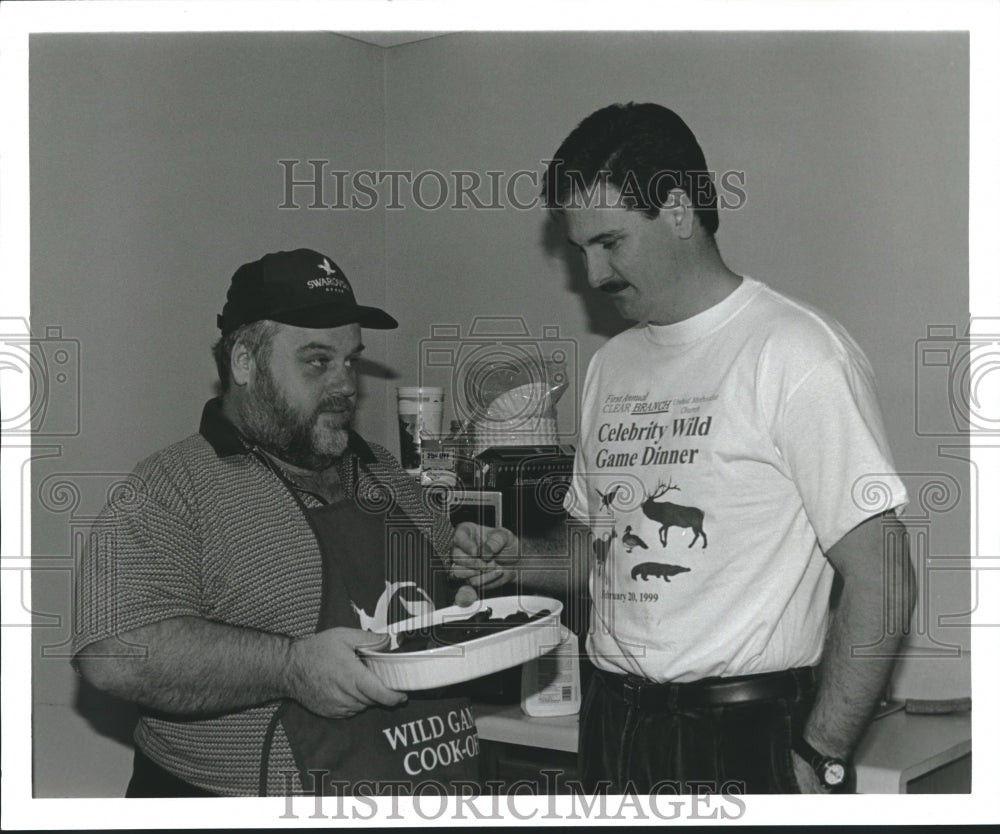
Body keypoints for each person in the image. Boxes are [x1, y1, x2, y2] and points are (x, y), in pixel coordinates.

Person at [533, 103, 915, 794]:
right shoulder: (610, 367)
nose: (594, 275)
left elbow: (883, 576)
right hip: (612, 728)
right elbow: (599, 546)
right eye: (579, 249)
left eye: (610, 241)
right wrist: (513, 562)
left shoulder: (795, 353)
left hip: (745, 736)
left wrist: (819, 753)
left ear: (677, 210)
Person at [72, 248, 516, 797]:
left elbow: (447, 605)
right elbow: (113, 651)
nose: (346, 385)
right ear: (244, 362)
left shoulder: (383, 470)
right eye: (316, 361)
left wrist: (476, 569)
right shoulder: (171, 486)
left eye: (350, 360)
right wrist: (290, 667)